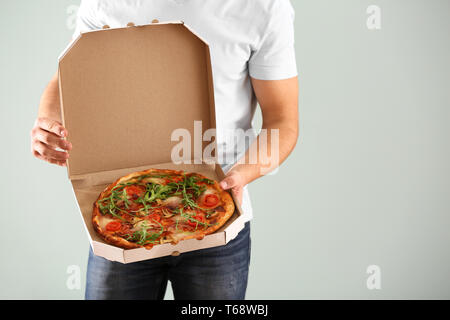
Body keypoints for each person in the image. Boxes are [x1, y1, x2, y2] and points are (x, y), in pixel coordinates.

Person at [30, 0, 299, 300]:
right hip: (122, 207)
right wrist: (49, 122)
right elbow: (67, 75)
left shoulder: (264, 7)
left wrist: (240, 176)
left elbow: (282, 122)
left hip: (216, 212)